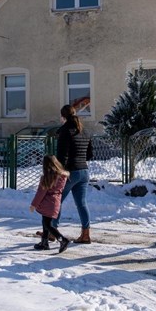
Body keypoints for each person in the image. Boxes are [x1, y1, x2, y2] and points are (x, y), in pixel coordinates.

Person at [51, 104, 94, 244]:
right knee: (81, 203)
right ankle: (86, 234)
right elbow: (90, 155)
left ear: (63, 117)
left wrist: (58, 171)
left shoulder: (65, 132)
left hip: (70, 172)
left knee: (56, 201)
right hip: (84, 172)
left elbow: (61, 156)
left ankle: (52, 232)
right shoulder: (85, 131)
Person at [30, 155, 71, 253]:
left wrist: (33, 205)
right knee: (45, 222)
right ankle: (44, 243)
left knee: (48, 224)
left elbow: (40, 193)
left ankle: (62, 240)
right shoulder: (62, 176)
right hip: (55, 201)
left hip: (48, 202)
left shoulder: (47, 178)